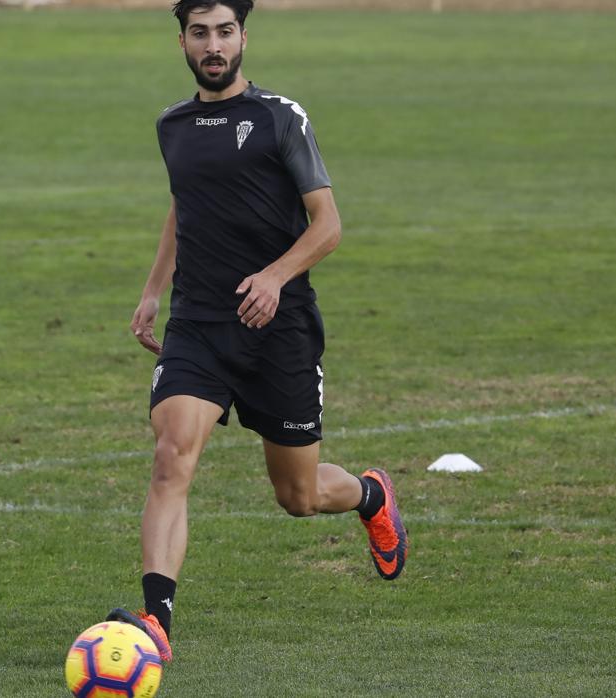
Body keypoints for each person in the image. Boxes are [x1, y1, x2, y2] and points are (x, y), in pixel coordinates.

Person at [106, 0, 408, 662]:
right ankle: (156, 622)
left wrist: (273, 278)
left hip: (280, 327)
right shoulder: (172, 125)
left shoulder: (279, 117)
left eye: (223, 32)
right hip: (200, 323)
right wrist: (153, 292)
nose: (211, 45)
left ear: (242, 37)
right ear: (181, 41)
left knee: (297, 496)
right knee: (169, 456)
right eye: (198, 33)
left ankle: (368, 494)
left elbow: (326, 225)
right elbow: (182, 206)